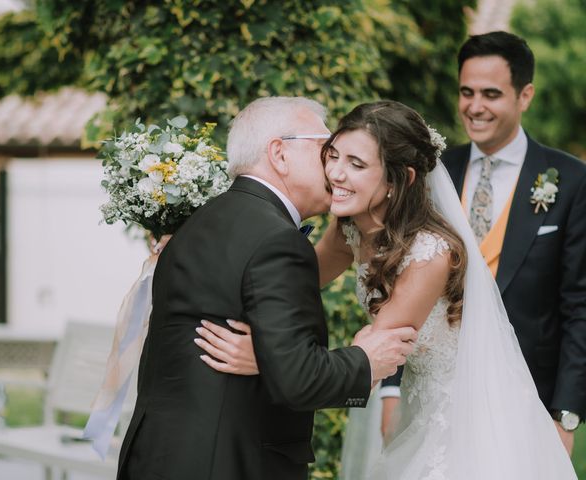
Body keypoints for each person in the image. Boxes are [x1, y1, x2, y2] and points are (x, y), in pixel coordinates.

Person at [198, 100, 578, 478]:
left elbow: (373, 360)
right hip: (421, 407)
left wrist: (266, 358)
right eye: (333, 156)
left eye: (357, 164)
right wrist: (208, 257)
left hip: (468, 417)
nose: (336, 173)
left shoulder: (431, 255)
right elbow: (289, 282)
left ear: (400, 180)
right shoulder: (347, 228)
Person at [116, 96, 417, 480]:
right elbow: (297, 378)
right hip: (225, 463)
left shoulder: (198, 222)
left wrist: (267, 358)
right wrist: (364, 360)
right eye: (326, 150)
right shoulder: (277, 240)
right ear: (279, 153)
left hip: (158, 458)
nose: (332, 167)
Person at [381, 30, 586, 455]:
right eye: (466, 92)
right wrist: (389, 388)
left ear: (524, 95)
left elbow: (579, 306)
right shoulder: (434, 173)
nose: (475, 107)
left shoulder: (572, 182)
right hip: (435, 395)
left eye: (491, 94)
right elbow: (400, 283)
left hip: (526, 396)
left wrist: (566, 414)